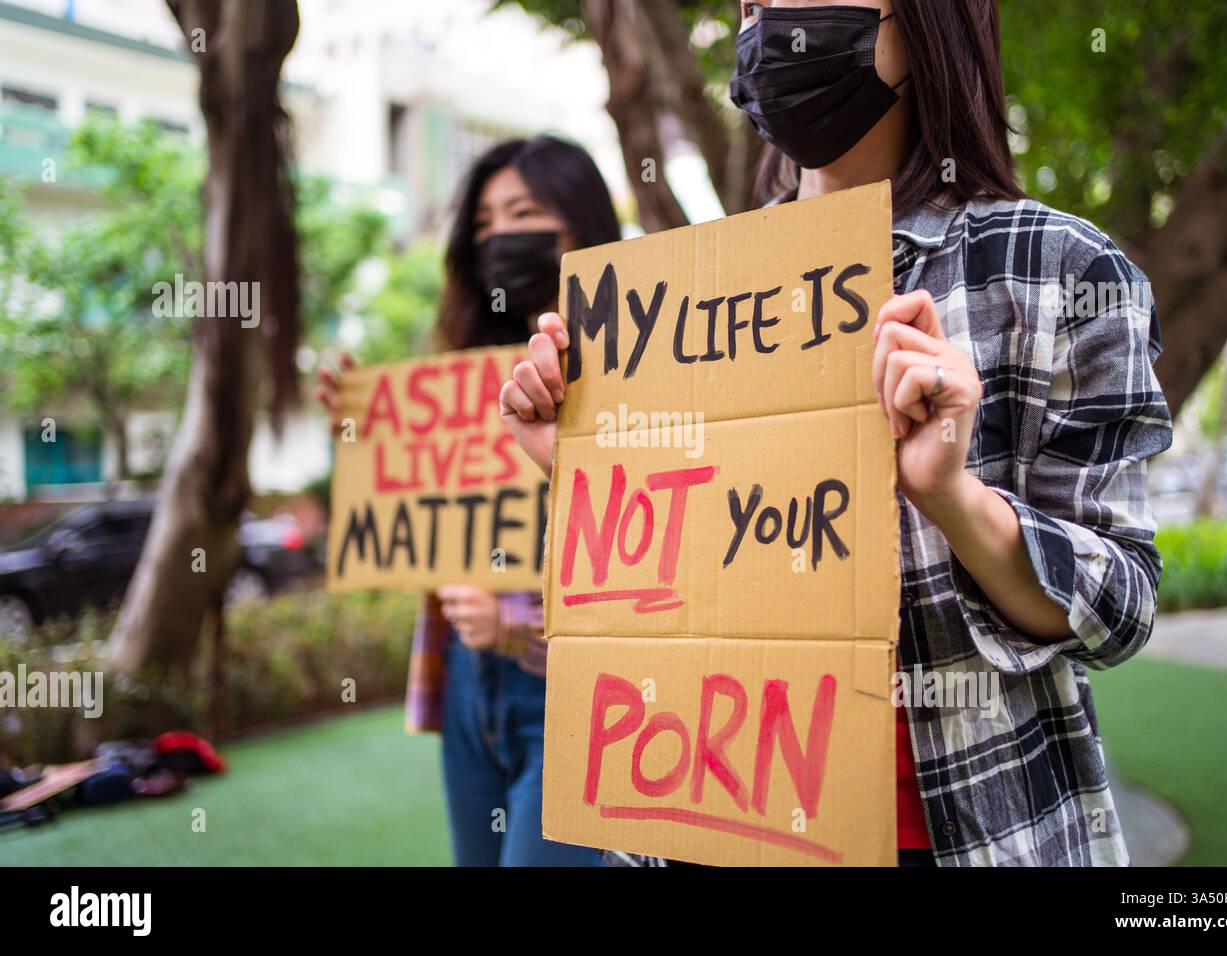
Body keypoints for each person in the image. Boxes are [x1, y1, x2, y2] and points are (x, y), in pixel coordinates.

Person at [499, 0, 1172, 867]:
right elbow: (677, 586)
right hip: (710, 829)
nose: (771, 17)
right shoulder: (679, 298)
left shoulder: (1060, 272)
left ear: (925, 22)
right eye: (754, 3)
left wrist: (953, 497)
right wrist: (589, 465)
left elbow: (1121, 605)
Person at [318, 135, 620, 866]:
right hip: (465, 688)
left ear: (581, 226)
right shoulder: (462, 379)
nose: (496, 237)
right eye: (482, 223)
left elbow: (660, 568)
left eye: (521, 212)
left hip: (573, 699)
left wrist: (516, 622)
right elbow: (434, 530)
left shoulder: (635, 375)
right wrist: (368, 432)